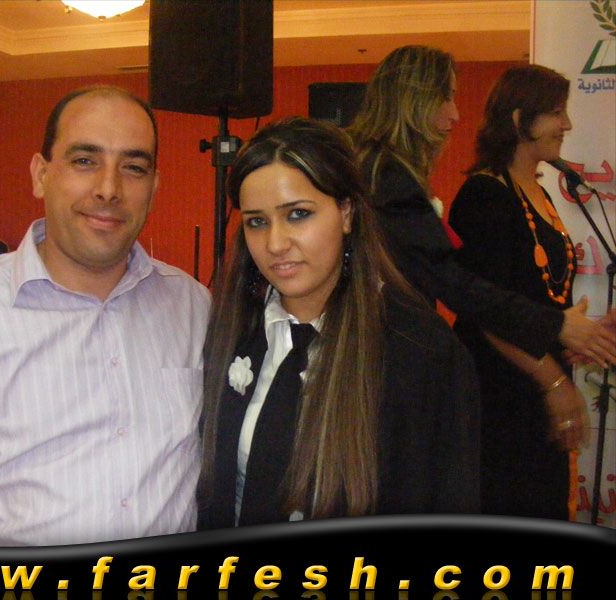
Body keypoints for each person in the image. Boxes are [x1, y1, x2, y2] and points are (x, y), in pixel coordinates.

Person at [0, 85, 211, 546]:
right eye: (85, 160)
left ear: (154, 187)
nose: (109, 189)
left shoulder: (193, 307)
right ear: (41, 174)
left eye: (133, 167)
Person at [197, 117, 480, 529]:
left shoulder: (420, 352)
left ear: (346, 212)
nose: (275, 243)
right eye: (257, 221)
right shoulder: (231, 332)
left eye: (298, 214)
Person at [347, 45, 615, 371]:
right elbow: (453, 283)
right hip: (385, 362)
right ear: (414, 101)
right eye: (446, 98)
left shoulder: (382, 171)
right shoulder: (388, 178)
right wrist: (557, 328)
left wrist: (567, 332)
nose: (456, 115)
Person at [448, 65, 595, 519]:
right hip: (501, 394)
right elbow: (487, 310)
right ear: (518, 120)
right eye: (556, 112)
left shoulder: (541, 192)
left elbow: (537, 297)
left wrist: (576, 332)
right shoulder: (484, 195)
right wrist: (554, 382)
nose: (567, 124)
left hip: (537, 383)